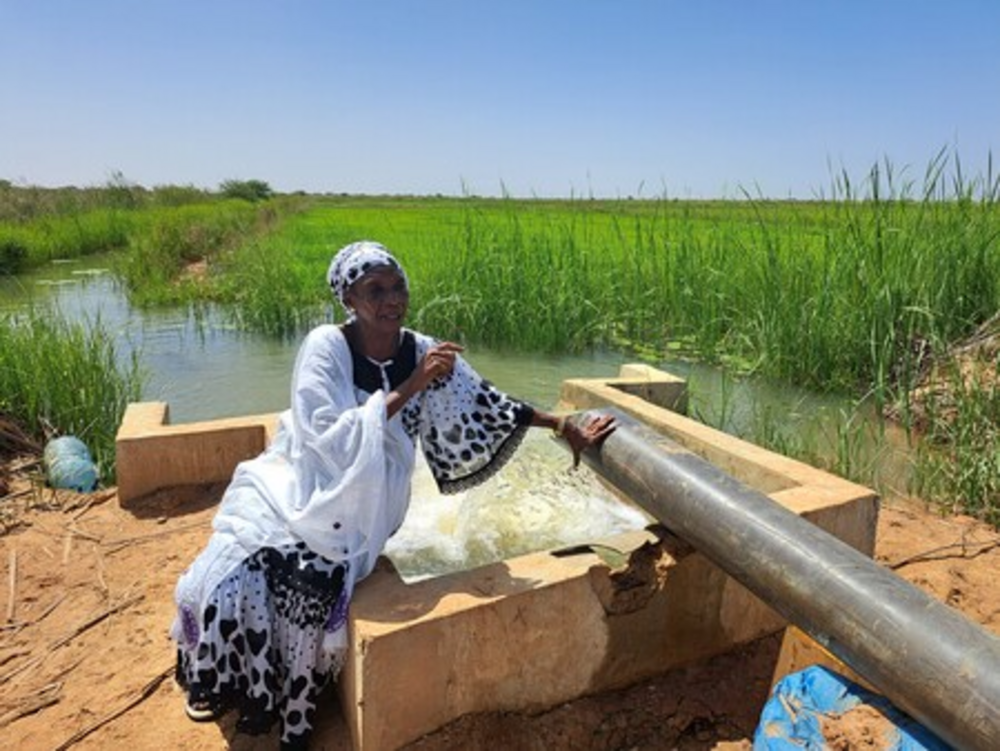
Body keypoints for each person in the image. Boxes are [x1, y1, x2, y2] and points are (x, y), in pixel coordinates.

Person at [170, 240, 615, 750]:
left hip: (368, 503)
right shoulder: (327, 346)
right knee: (236, 567)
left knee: (314, 583)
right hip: (305, 484)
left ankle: (293, 702)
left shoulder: (420, 349)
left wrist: (561, 424)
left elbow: (488, 402)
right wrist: (413, 383)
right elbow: (327, 437)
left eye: (397, 285)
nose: (391, 299)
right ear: (349, 300)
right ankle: (220, 681)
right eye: (374, 290)